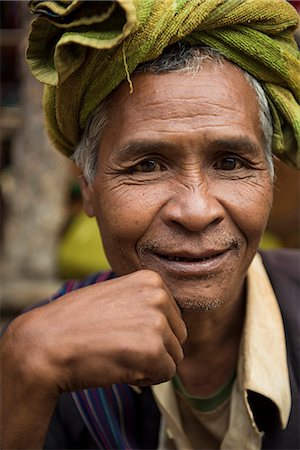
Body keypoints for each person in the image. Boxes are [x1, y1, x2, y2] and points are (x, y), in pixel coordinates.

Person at [1, 1, 299, 449]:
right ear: (89, 187)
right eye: (147, 166)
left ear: (270, 179)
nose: (197, 211)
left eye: (231, 162)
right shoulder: (41, 356)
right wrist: (23, 377)